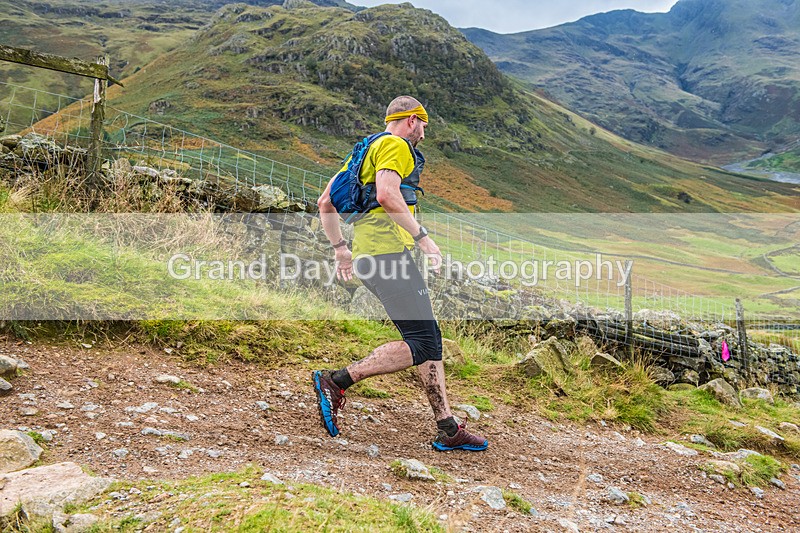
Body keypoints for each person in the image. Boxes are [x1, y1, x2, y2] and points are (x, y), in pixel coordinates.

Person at [312, 95, 488, 451]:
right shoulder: (396, 146)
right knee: (424, 342)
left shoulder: (364, 149)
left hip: (368, 256)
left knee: (427, 338)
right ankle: (337, 380)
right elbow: (389, 196)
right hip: (389, 255)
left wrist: (341, 250)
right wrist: (423, 239)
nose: (423, 134)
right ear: (411, 120)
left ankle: (448, 426)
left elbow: (325, 202)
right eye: (423, 125)